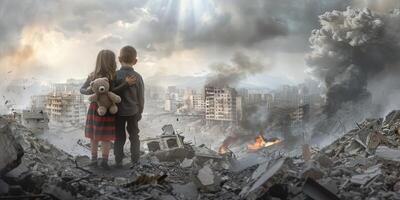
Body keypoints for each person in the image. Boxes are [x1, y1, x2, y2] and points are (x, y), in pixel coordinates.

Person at [80, 49, 136, 170]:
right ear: (112, 62)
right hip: (105, 110)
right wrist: (126, 84)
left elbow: (81, 90)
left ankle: (94, 160)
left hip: (95, 108)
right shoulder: (112, 76)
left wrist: (90, 90)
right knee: (106, 137)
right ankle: (104, 161)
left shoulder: (93, 75)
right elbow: (115, 91)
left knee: (94, 136)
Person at [114, 46, 144, 168]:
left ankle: (118, 160)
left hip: (118, 112)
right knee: (134, 136)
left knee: (119, 136)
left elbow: (112, 93)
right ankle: (135, 160)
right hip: (133, 111)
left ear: (119, 59)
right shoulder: (138, 77)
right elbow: (141, 97)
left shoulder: (115, 75)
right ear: (135, 61)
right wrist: (140, 111)